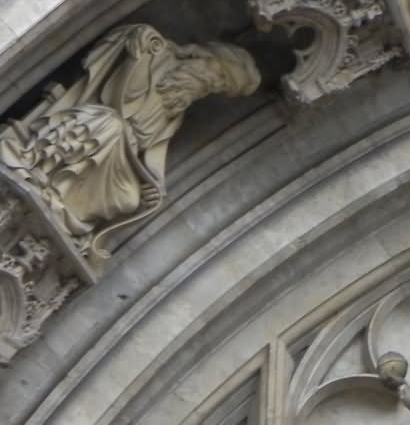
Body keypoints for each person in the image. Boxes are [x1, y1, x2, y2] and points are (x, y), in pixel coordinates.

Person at [0, 25, 259, 260]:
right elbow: (120, 93)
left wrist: (152, 188)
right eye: (220, 75)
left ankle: (60, 207)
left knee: (129, 201)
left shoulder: (176, 110)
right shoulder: (157, 56)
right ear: (201, 56)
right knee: (110, 124)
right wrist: (142, 43)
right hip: (96, 125)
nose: (213, 84)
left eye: (221, 86)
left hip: (120, 158)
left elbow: (152, 156)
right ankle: (43, 179)